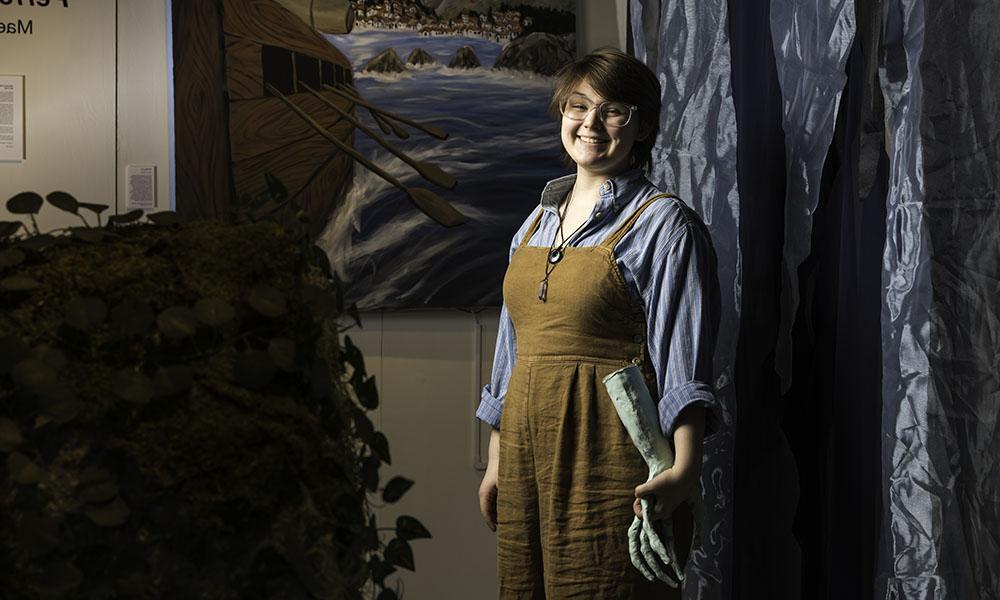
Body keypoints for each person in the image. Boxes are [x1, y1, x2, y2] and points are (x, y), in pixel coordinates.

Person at [476, 47, 722, 599]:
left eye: (613, 111)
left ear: (643, 127)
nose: (590, 123)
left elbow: (683, 363)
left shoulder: (665, 226)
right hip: (524, 451)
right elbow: (512, 352)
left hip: (608, 452)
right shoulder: (534, 223)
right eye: (578, 106)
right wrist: (496, 460)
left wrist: (683, 470)